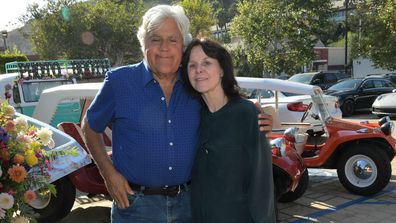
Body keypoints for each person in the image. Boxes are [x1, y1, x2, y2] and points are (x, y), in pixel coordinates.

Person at [81, 4, 273, 223]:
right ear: (143, 43)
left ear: (182, 46)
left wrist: (265, 112)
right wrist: (108, 174)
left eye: (172, 40)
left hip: (189, 205)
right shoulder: (119, 82)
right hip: (136, 206)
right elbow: (89, 125)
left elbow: (229, 103)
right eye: (155, 39)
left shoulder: (194, 82)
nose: (164, 48)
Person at [182, 38, 276, 223]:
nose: (198, 69)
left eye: (207, 63)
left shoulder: (247, 114)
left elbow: (262, 183)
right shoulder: (194, 115)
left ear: (222, 70)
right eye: (192, 65)